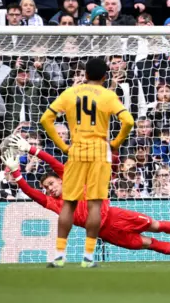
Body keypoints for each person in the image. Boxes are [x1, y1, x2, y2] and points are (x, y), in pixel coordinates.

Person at [1, 137, 170, 260]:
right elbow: (30, 192)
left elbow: (55, 163)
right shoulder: (55, 204)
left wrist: (31, 149)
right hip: (105, 232)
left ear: (60, 180)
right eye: (46, 188)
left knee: (156, 225)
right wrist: (16, 172)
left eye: (51, 184)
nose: (50, 189)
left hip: (115, 215)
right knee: (150, 244)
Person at [40, 57, 135, 268]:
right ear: (104, 76)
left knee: (69, 203)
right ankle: (88, 257)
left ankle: (59, 255)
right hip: (100, 152)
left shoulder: (69, 93)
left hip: (76, 151)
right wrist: (116, 142)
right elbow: (128, 121)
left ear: (85, 74)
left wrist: (63, 147)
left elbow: (45, 119)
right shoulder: (108, 95)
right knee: (94, 204)